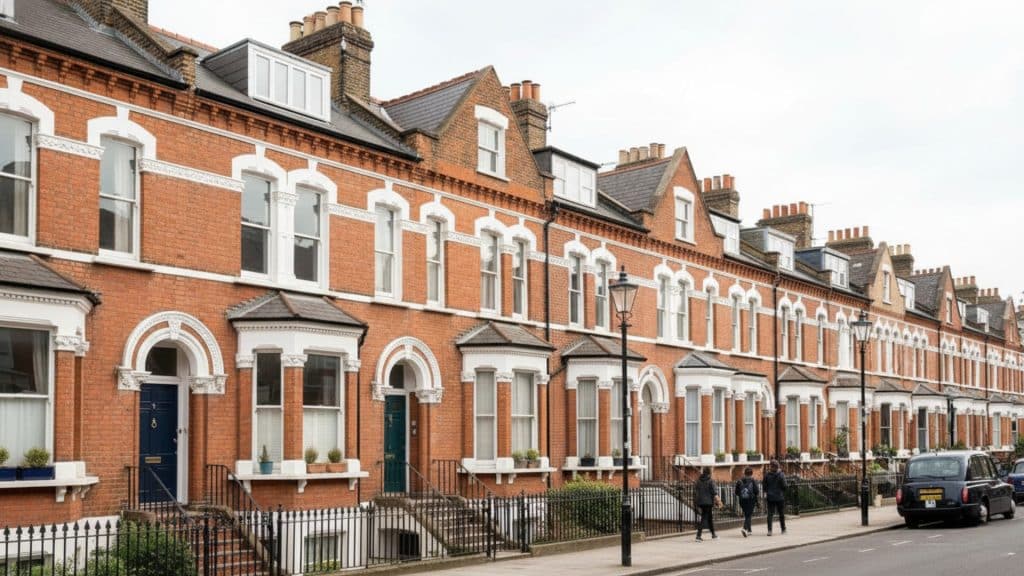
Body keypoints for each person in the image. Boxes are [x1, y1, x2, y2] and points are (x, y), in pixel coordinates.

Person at [763, 460, 787, 536]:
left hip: (770, 497)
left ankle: (769, 530)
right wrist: (781, 491)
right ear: (778, 466)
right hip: (779, 496)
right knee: (781, 514)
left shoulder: (767, 475)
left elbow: (764, 486)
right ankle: (783, 529)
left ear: (771, 466)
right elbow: (784, 486)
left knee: (770, 514)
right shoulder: (781, 475)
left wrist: (767, 491)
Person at [694, 467, 718, 541]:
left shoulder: (698, 481)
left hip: (700, 501)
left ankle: (713, 534)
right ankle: (698, 535)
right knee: (704, 518)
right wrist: (718, 500)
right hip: (708, 502)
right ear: (709, 473)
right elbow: (714, 491)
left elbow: (696, 490)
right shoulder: (710, 481)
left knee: (709, 518)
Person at [735, 466, 759, 537]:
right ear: (751, 473)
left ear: (744, 473)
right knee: (748, 515)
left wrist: (742, 494)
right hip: (751, 500)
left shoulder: (739, 481)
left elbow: (736, 492)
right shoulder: (752, 480)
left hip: (742, 500)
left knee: (747, 514)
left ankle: (749, 530)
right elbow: (757, 491)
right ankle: (744, 528)